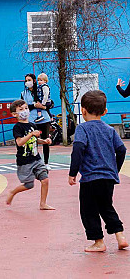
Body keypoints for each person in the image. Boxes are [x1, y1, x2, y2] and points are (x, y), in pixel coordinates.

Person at [68, 90, 128, 252]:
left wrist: (73, 172)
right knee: (106, 206)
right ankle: (120, 235)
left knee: (88, 210)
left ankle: (98, 242)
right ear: (105, 111)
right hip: (108, 178)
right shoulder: (110, 130)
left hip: (90, 179)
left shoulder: (82, 128)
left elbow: (78, 148)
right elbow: (121, 150)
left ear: (83, 110)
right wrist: (115, 169)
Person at [6, 99, 55, 210]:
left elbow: (34, 140)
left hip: (36, 158)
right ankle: (13, 192)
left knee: (45, 179)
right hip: (24, 161)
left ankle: (43, 203)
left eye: (26, 108)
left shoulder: (32, 125)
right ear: (14, 114)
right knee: (29, 185)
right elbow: (20, 142)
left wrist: (44, 141)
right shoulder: (17, 127)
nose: (25, 111)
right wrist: (31, 134)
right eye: (21, 109)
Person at [21, 73, 52, 170]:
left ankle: (46, 163)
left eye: (29, 80)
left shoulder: (40, 89)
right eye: (26, 81)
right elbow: (24, 106)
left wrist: (44, 106)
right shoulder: (24, 93)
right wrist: (34, 106)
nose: (27, 82)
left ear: (34, 80)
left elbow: (50, 103)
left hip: (44, 119)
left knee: (45, 140)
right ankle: (34, 162)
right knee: (33, 141)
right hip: (31, 120)